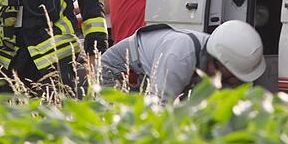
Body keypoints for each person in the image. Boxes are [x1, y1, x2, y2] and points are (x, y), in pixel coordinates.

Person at [99, 20, 265, 102]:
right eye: (230, 78)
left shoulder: (217, 47)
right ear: (215, 63)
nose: (233, 83)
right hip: (117, 71)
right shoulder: (180, 58)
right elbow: (158, 107)